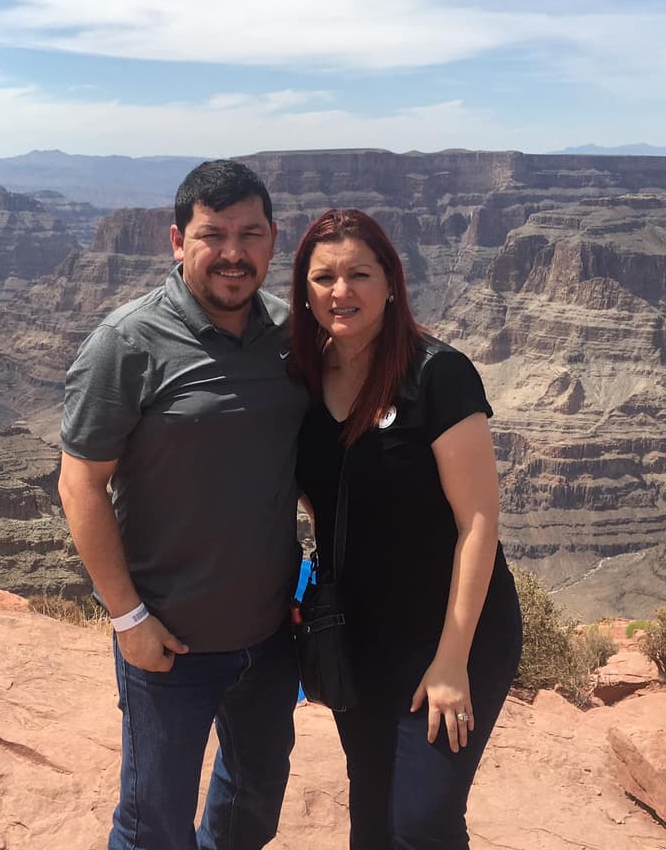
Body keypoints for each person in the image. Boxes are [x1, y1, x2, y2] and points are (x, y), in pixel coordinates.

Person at [58, 159, 307, 850]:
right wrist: (128, 618)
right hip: (169, 643)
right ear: (177, 241)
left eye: (250, 234)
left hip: (270, 637)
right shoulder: (127, 343)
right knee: (152, 824)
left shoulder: (293, 337)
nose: (234, 253)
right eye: (213, 234)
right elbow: (79, 484)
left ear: (272, 239)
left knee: (250, 807)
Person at [289, 209, 522, 850]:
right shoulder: (301, 382)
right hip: (357, 638)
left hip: (452, 633)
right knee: (371, 817)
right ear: (303, 291)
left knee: (423, 821)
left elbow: (479, 522)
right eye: (325, 277)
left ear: (391, 282)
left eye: (360, 274)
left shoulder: (437, 376)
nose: (343, 292)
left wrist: (450, 663)